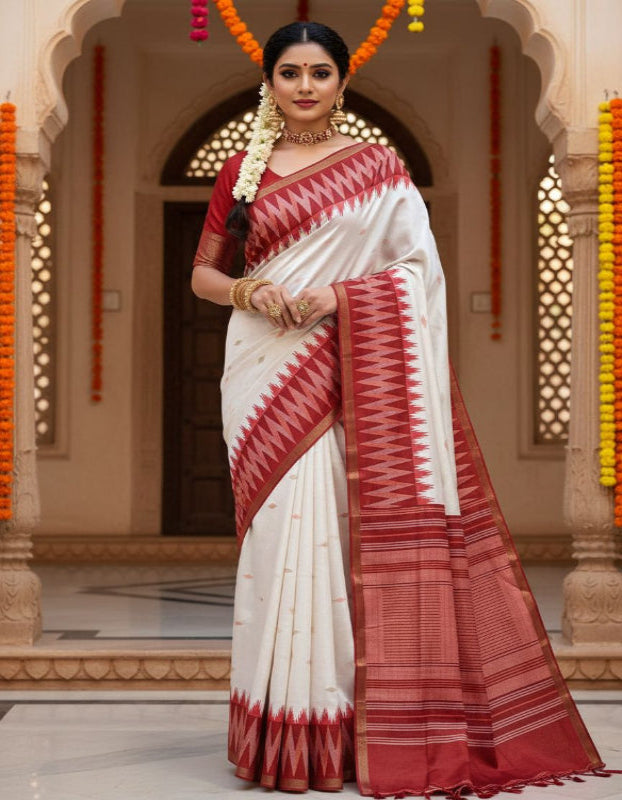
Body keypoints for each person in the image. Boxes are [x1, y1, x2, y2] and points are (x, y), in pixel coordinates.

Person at [191, 21, 608, 799]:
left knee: (336, 538)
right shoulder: (240, 173)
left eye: (320, 72)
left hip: (345, 363)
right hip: (262, 371)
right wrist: (252, 290)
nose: (306, 86)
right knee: (282, 538)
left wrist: (335, 296)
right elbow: (205, 278)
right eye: (290, 72)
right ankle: (281, 726)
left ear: (342, 83)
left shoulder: (379, 169)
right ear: (270, 84)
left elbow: (416, 271)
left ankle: (343, 726)